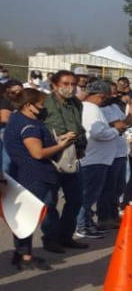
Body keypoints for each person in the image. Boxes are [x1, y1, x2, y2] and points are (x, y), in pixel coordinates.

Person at [3, 90, 78, 270]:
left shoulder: (16, 120)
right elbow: (37, 153)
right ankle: (25, 255)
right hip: (35, 175)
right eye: (41, 104)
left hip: (24, 173)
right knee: (29, 216)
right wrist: (60, 145)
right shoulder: (30, 126)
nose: (44, 107)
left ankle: (22, 252)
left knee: (26, 215)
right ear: (29, 105)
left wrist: (59, 139)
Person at [40, 70, 88, 251]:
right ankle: (50, 238)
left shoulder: (76, 103)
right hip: (52, 154)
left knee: (76, 199)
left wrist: (81, 146)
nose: (70, 88)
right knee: (50, 201)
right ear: (55, 85)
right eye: (66, 84)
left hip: (72, 154)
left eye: (73, 84)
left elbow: (79, 126)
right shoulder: (45, 102)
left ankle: (65, 235)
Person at [77, 81, 128, 239]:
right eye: (104, 97)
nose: (105, 100)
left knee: (90, 194)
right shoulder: (92, 109)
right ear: (100, 96)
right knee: (88, 196)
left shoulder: (87, 108)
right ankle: (81, 226)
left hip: (96, 158)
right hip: (94, 160)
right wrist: (115, 131)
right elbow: (98, 132)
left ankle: (86, 223)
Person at [97, 85, 132, 230]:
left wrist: (131, 105)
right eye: (111, 92)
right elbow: (120, 125)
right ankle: (104, 218)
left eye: (116, 92)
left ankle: (113, 215)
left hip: (121, 152)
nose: (115, 94)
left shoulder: (115, 107)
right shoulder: (102, 110)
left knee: (119, 188)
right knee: (108, 188)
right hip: (110, 153)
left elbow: (129, 122)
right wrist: (123, 124)